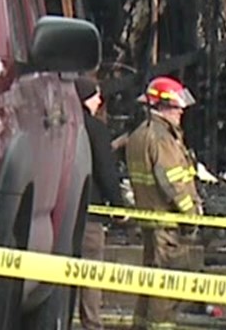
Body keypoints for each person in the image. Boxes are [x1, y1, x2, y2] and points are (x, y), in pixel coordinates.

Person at [125, 76, 202, 330]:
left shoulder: (139, 134)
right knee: (165, 290)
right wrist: (191, 214)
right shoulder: (162, 138)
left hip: (150, 221)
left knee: (149, 285)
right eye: (176, 107)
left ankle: (141, 325)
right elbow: (172, 182)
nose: (181, 112)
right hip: (167, 225)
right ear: (161, 106)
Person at [75, 75, 127, 330]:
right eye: (96, 95)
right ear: (86, 98)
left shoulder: (60, 125)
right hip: (90, 216)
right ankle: (91, 325)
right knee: (90, 275)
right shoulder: (95, 129)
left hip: (60, 213)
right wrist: (118, 208)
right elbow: (106, 172)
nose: (100, 100)